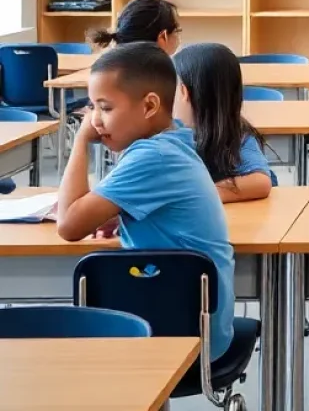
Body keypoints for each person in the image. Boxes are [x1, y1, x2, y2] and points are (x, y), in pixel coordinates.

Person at [56, 42, 235, 359]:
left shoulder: (152, 155)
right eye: (92, 108)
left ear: (150, 106)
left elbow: (69, 224)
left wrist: (80, 141)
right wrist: (124, 213)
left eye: (106, 108)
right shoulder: (172, 141)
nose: (95, 120)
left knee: (48, 341)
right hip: (195, 329)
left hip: (180, 337)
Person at [173, 42, 276, 202]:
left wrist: (199, 194)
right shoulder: (168, 136)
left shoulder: (237, 136)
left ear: (183, 92)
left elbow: (260, 182)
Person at [88, 0, 181, 54]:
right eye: (177, 30)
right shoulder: (165, 78)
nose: (178, 35)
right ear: (163, 38)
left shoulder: (114, 69)